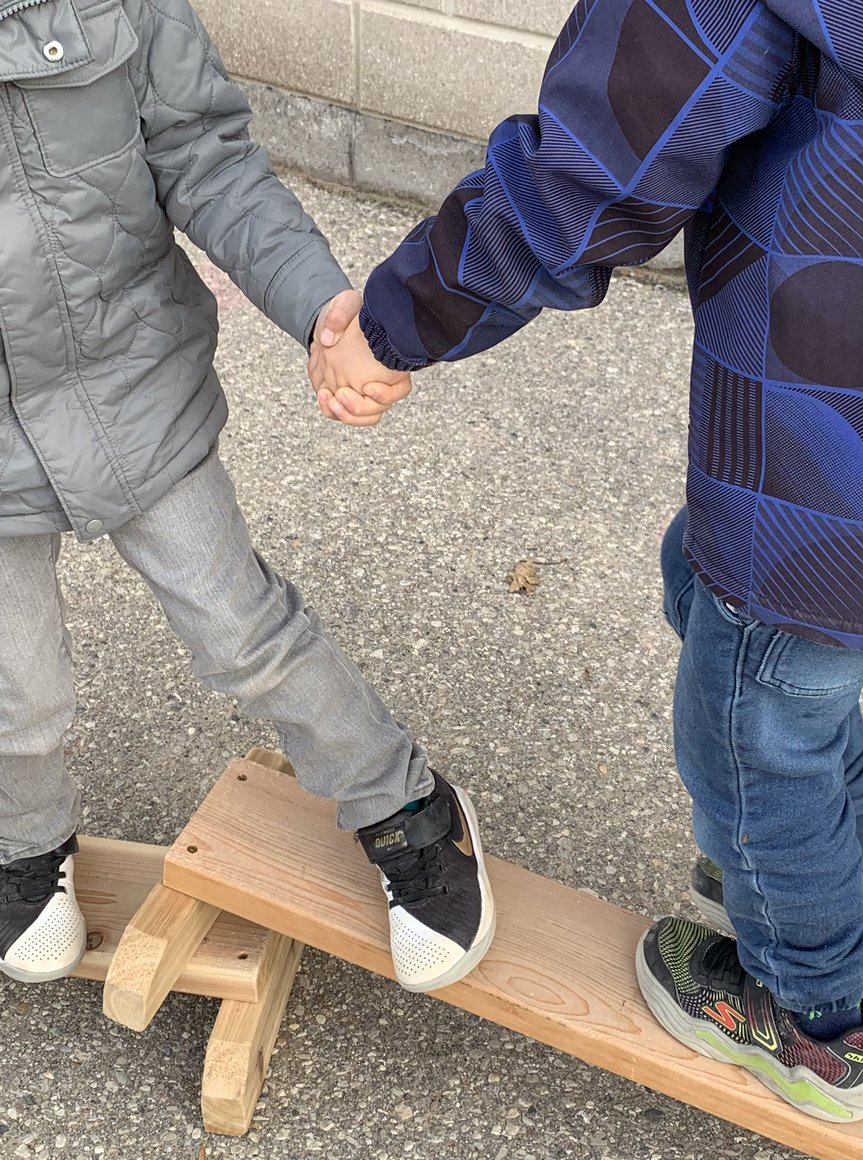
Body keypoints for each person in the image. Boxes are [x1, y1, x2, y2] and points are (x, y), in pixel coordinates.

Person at [309, 0, 863, 1121]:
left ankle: (810, 1013)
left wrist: (397, 324)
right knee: (752, 621)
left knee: (749, 724)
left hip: (829, 468)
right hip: (859, 485)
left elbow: (592, 177)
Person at [0, 0, 496, 997]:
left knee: (243, 631)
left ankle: (405, 806)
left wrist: (321, 307)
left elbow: (206, 159)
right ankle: (21, 842)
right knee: (15, 690)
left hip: (127, 389)